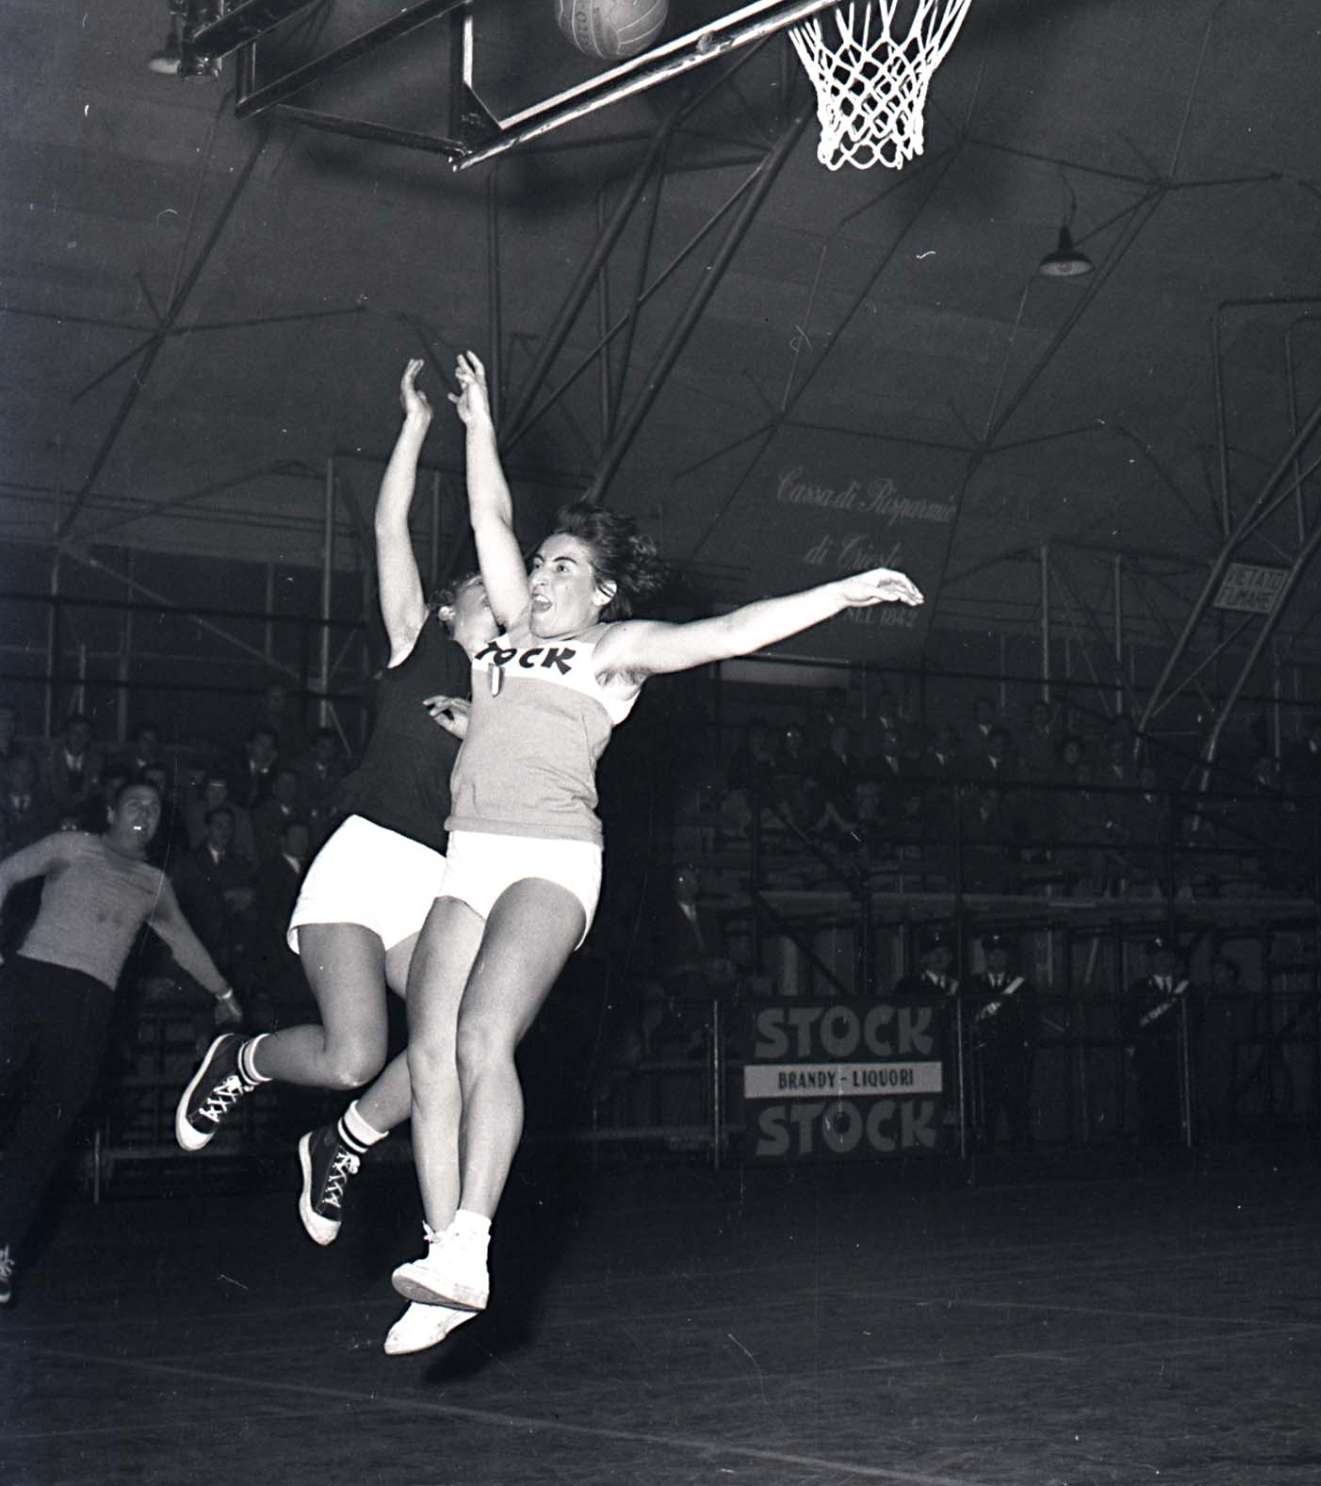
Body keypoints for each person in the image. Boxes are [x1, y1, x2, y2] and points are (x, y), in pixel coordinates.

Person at [387, 350, 922, 1350]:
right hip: (469, 854)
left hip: (549, 861)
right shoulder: (499, 640)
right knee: (427, 1057)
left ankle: (471, 1243)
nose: (541, 574)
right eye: (539, 563)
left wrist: (842, 591)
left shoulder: (609, 652)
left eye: (563, 567)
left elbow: (730, 631)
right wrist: (478, 424)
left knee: (480, 1038)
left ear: (600, 596)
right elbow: (491, 516)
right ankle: (439, 1262)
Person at [173, 361, 500, 1362]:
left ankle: (344, 1140)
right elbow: (389, 528)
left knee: (463, 1046)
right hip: (362, 863)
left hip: (437, 885)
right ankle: (243, 1060)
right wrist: (415, 427)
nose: (499, 598)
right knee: (357, 1053)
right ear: (446, 606)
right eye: (482, 588)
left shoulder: (509, 693)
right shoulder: (417, 646)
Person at [0, 782, 240, 1305]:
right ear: (110, 811)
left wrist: (223, 992)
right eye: (135, 802)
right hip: (28, 985)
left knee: (44, 1133)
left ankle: (2, 1246)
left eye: (154, 809)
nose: (145, 812)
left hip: (89, 1007)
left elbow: (183, 942)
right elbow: (7, 873)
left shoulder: (154, 883)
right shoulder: (72, 846)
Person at [966, 932, 1035, 1153]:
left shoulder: (1022, 987)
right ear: (986, 957)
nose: (996, 958)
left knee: (1017, 1113)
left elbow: (1031, 1025)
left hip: (1013, 1059)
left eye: (1001, 954)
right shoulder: (972, 986)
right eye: (992, 954)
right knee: (985, 1114)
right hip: (983, 1060)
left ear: (1008, 957)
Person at [1124, 937, 1189, 1147]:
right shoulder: (1138, 990)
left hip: (1178, 1055)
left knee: (1177, 1105)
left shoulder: (1186, 989)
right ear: (1151, 960)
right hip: (1149, 1056)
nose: (1163, 961)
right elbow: (1130, 1024)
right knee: (1150, 1106)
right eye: (1158, 956)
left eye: (1167, 956)